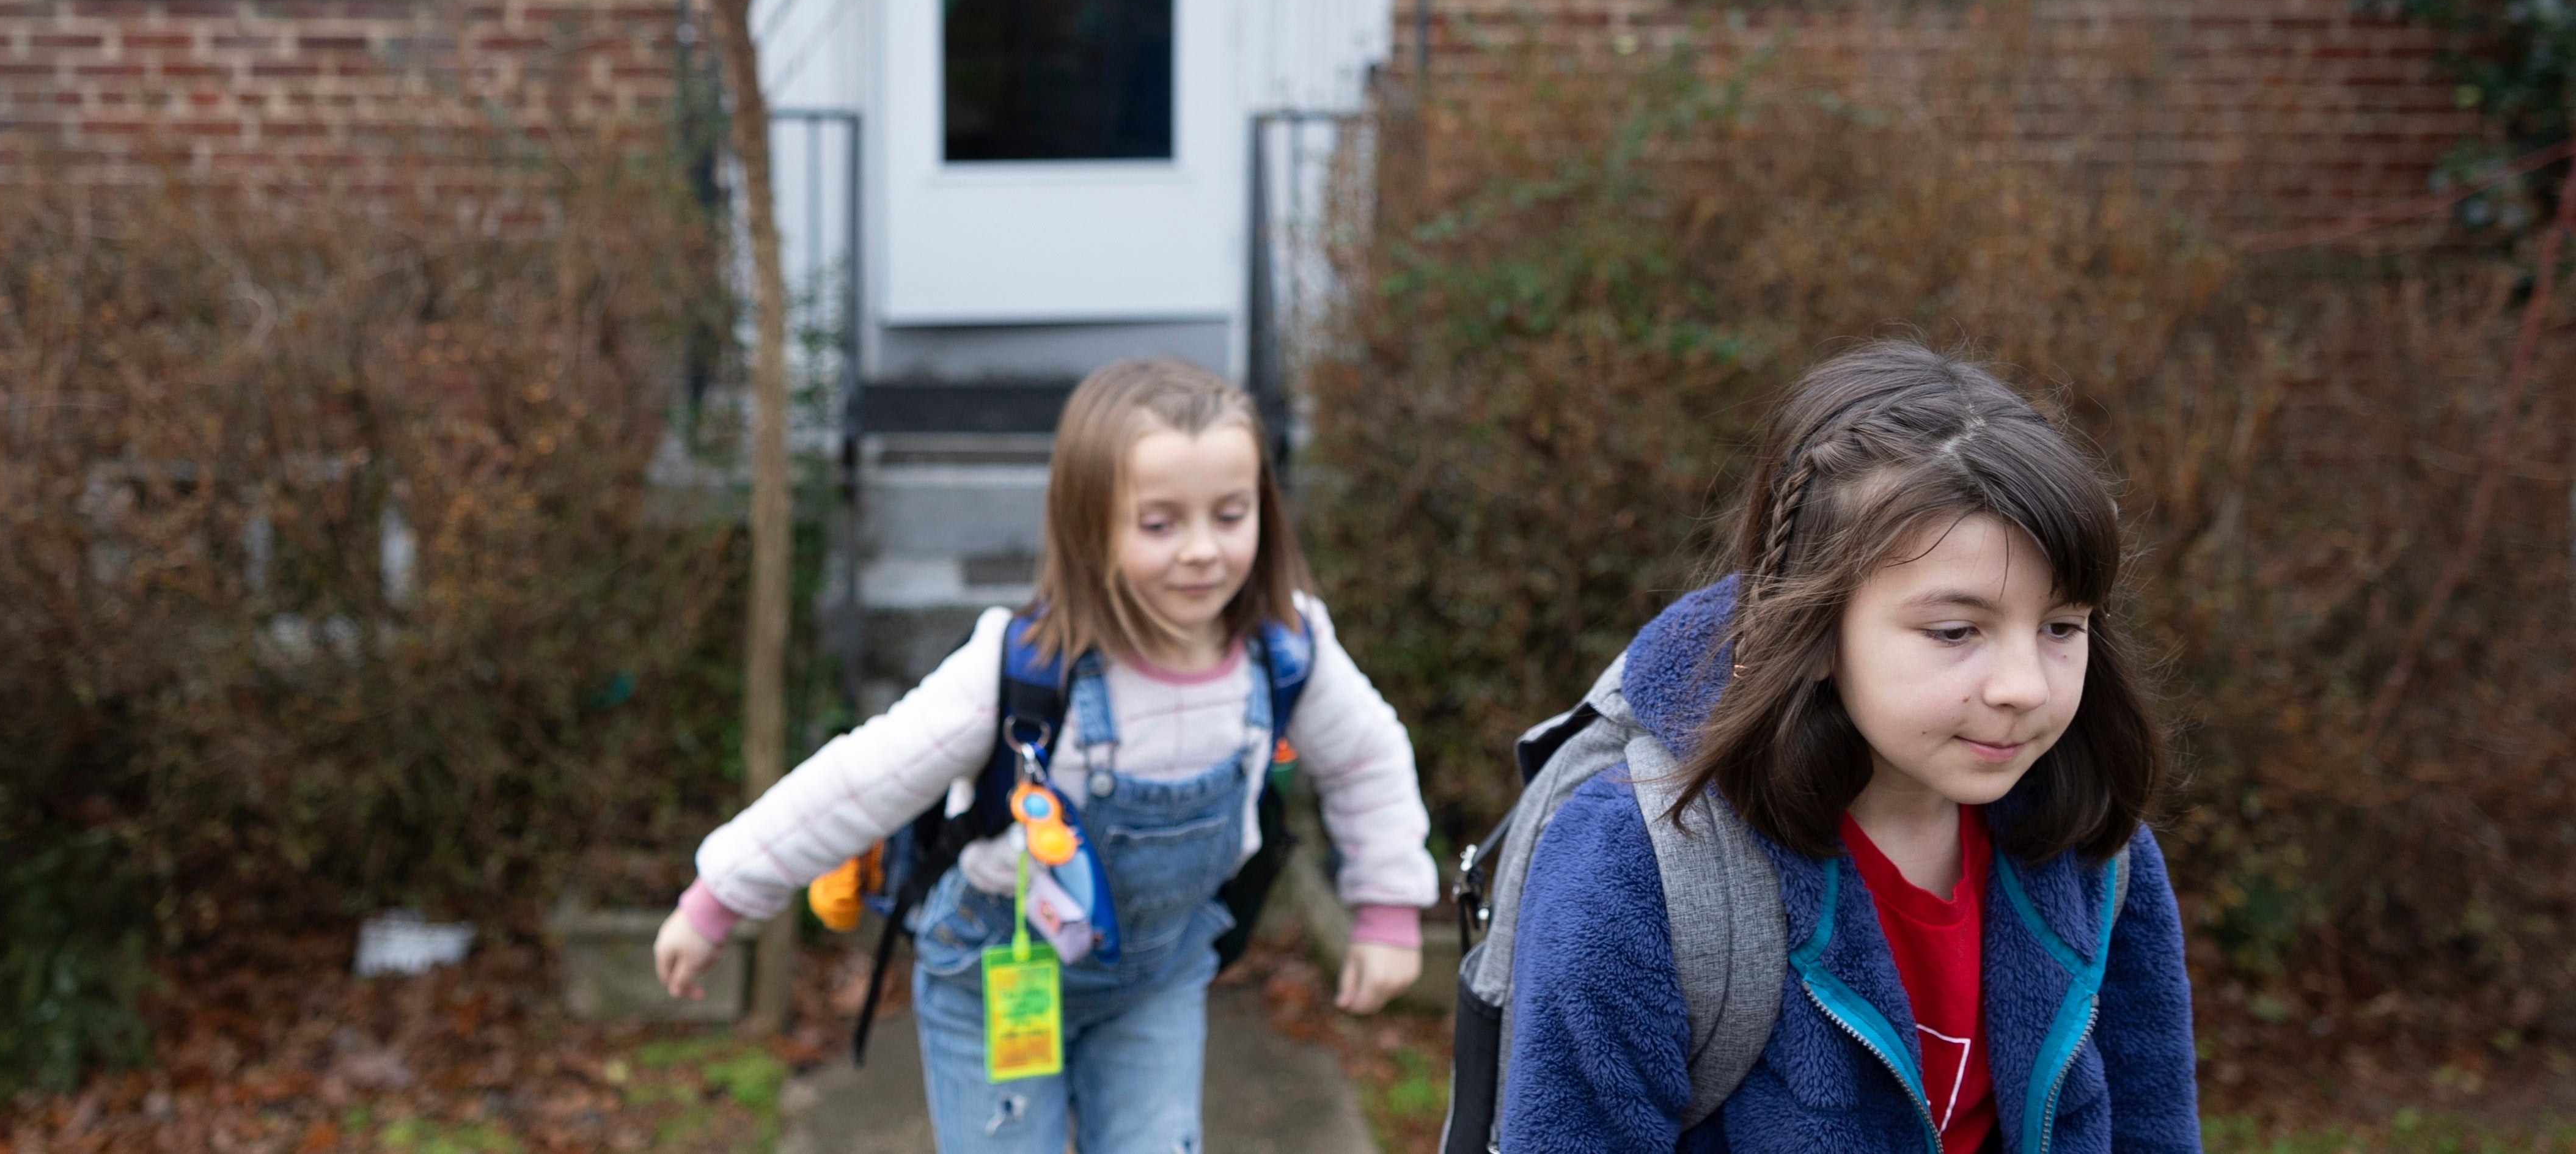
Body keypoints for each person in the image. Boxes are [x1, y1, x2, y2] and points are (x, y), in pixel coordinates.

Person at [653, 357, 1437, 1154]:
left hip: (1156, 981)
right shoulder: (1022, 668)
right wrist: (720, 896)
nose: (1203, 550)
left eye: (1230, 515)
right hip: (999, 972)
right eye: (1160, 524)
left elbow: (1368, 760)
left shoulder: (1285, 651)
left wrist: (1387, 909)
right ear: (1089, 525)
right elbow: (860, 784)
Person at [1499, 341, 2201, 1154]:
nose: (2025, 686)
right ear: (1817, 627)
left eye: (2061, 627)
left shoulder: (2099, 855)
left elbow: (2155, 1129)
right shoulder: (1642, 859)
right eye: (1954, 630)